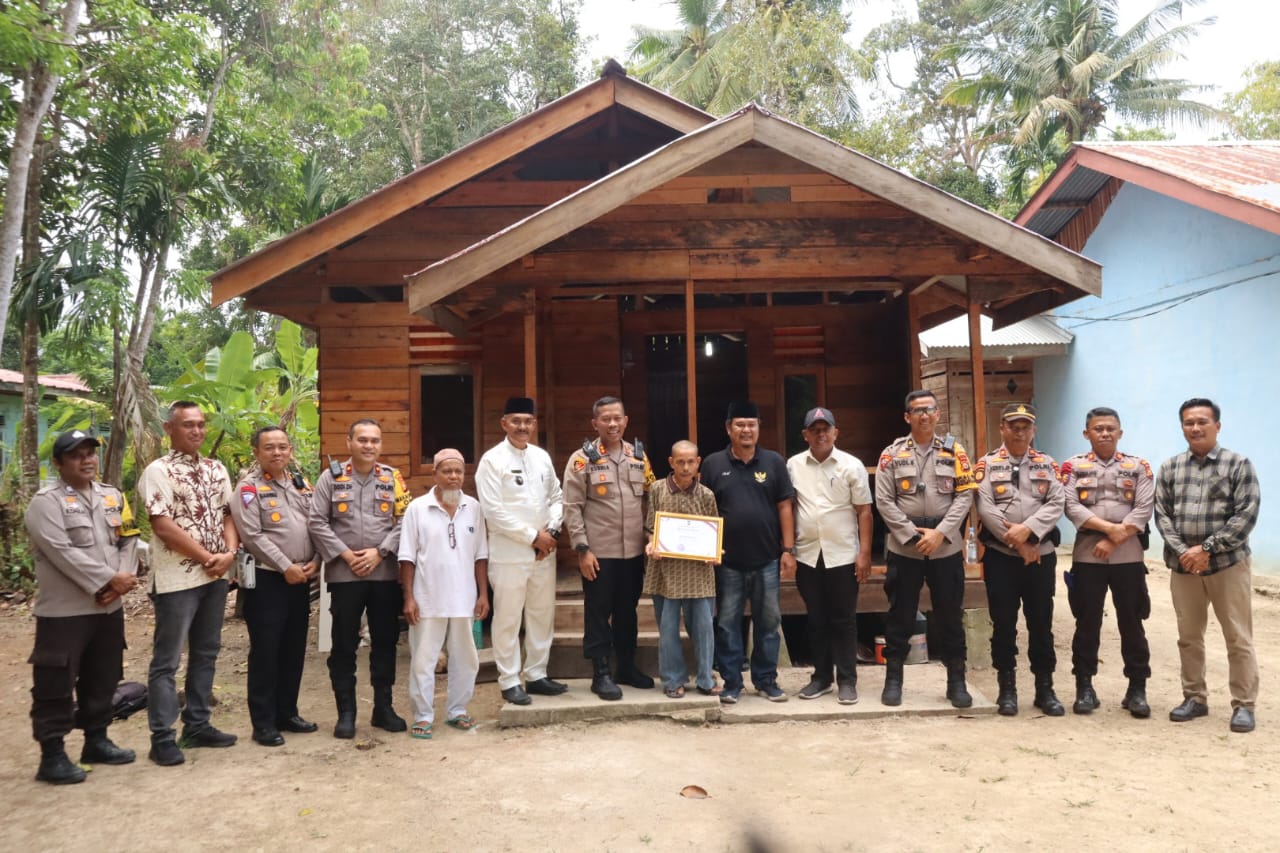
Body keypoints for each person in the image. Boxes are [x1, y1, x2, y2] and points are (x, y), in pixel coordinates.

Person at [25, 430, 140, 784]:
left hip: (107, 609)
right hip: (65, 612)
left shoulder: (113, 496)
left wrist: (123, 577)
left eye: (90, 453)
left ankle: (97, 740)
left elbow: (130, 538)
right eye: (76, 455)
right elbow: (60, 551)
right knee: (55, 681)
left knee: (103, 677)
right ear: (58, 463)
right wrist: (108, 580)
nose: (87, 460)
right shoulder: (46, 502)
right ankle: (53, 754)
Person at [137, 401, 240, 765]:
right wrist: (206, 558)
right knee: (167, 660)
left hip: (215, 576)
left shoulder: (216, 469)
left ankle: (197, 724)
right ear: (169, 429)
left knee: (206, 652)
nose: (195, 431)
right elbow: (162, 525)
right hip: (177, 578)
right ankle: (162, 736)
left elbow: (230, 514)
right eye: (187, 425)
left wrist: (229, 552)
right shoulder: (158, 471)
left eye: (200, 425)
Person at [1155, 398, 1261, 733]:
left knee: (1237, 636)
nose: (1195, 428)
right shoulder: (1170, 468)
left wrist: (1208, 549)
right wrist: (1186, 552)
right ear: (1182, 427)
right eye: (1189, 422)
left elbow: (1246, 514)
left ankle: (1244, 705)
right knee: (1189, 636)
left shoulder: (1238, 464)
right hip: (1183, 567)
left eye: (1202, 421)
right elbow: (1162, 516)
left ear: (1217, 425)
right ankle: (1194, 698)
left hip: (1228, 565)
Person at [308, 418, 410, 738]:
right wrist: (348, 555)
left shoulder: (392, 478)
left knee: (385, 642)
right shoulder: (331, 478)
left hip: (383, 574)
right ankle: (347, 712)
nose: (369, 446)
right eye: (362, 440)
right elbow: (316, 522)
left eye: (375, 441)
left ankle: (383, 708)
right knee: (344, 645)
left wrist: (381, 552)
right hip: (345, 573)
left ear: (381, 445)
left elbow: (405, 519)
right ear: (349, 442)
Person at [875, 391, 977, 708]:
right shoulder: (891, 454)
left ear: (937, 415)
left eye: (930, 409)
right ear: (907, 416)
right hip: (906, 547)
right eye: (917, 410)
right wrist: (910, 534)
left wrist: (941, 533)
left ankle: (956, 681)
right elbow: (884, 500)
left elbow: (965, 495)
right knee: (900, 616)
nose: (924, 415)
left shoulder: (954, 451)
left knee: (949, 615)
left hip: (944, 546)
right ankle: (893, 680)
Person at [1059, 407, 1155, 718]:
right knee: (1087, 623)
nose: (1104, 433)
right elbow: (1070, 506)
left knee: (1132, 621)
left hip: (1127, 554)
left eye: (1110, 428)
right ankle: (1085, 688)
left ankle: (1137, 689)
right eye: (1097, 428)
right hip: (1089, 553)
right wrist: (1107, 530)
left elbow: (1144, 507)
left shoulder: (1138, 466)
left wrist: (1115, 537)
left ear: (1120, 432)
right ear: (1086, 433)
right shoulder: (1072, 466)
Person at [701, 400, 796, 704]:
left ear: (758, 428)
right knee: (727, 623)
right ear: (729, 429)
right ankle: (731, 682)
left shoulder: (774, 462)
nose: (746, 430)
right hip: (727, 560)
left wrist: (788, 549)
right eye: (739, 424)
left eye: (751, 424)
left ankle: (766, 680)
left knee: (769, 624)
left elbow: (784, 506)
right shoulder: (713, 464)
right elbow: (705, 509)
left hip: (767, 558)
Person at [229, 426, 320, 747]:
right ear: (257, 452)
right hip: (269, 579)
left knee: (293, 650)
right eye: (270, 447)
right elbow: (252, 535)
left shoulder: (301, 484)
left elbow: (316, 524)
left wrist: (317, 561)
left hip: (302, 578)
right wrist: (286, 566)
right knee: (266, 652)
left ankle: (287, 713)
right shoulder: (248, 489)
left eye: (283, 446)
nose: (277, 452)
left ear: (290, 450)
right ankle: (264, 723)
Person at [974, 403, 1066, 717]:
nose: (1020, 431)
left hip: (1041, 557)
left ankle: (1045, 688)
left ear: (1033, 430)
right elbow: (985, 509)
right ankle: (1007, 689)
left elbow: (1056, 503)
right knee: (1003, 624)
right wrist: (1017, 542)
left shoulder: (1048, 464)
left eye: (1026, 426)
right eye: (1013, 425)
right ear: (1002, 427)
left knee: (1041, 622)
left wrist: (1030, 534)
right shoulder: (986, 465)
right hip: (1001, 558)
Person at [562, 396, 654, 701]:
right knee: (598, 613)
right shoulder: (581, 459)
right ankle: (600, 673)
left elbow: (650, 499)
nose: (612, 424)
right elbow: (572, 507)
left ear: (626, 420)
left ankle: (626, 666)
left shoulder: (638, 456)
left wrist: (651, 535)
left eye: (617, 418)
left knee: (628, 612)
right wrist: (582, 549)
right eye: (606, 419)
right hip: (598, 553)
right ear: (595, 424)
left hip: (632, 552)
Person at [475, 397, 566, 705]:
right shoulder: (492, 460)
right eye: (516, 421)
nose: (522, 427)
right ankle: (509, 679)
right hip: (510, 553)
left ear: (534, 424)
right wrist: (532, 537)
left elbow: (557, 496)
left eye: (528, 421)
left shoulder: (541, 457)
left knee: (541, 614)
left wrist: (551, 531)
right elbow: (493, 511)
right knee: (509, 617)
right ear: (504, 423)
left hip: (543, 553)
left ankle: (537, 674)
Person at [399, 449, 490, 738]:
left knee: (466, 657)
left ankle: (458, 711)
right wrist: (409, 597)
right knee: (423, 658)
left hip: (464, 597)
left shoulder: (473, 507)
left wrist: (483, 594)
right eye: (447, 471)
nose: (453, 477)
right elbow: (406, 557)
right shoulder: (417, 508)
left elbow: (480, 556)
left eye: (459, 472)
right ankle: (423, 715)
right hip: (427, 597)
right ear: (435, 473)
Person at [788, 408, 873, 705]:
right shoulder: (793, 465)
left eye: (826, 429)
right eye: (815, 429)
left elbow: (864, 510)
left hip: (843, 555)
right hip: (808, 554)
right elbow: (788, 508)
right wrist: (787, 550)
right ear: (806, 434)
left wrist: (864, 554)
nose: (821, 434)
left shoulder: (852, 465)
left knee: (844, 620)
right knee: (816, 619)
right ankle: (822, 677)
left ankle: (847, 680)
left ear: (836, 432)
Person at [643, 440, 720, 698]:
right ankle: (673, 679)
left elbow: (714, 531)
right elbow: (651, 527)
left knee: (704, 629)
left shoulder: (707, 494)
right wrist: (652, 544)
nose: (686, 467)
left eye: (691, 462)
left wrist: (715, 551)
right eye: (680, 462)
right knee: (667, 630)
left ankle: (706, 679)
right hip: (665, 570)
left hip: (700, 573)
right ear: (671, 462)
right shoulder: (657, 490)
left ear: (698, 462)